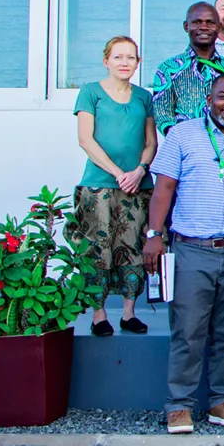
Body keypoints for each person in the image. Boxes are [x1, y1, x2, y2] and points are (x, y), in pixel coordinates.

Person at [141, 74, 224, 435]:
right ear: (209, 100)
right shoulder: (182, 135)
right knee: (189, 329)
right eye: (223, 97)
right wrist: (154, 234)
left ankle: (221, 400)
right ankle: (179, 404)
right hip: (193, 249)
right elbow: (163, 188)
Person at [68, 35, 157, 337]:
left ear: (138, 62)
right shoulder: (91, 92)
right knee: (98, 249)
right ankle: (99, 315)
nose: (124, 62)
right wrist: (120, 173)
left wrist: (140, 170)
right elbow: (85, 140)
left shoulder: (144, 97)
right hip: (99, 186)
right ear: (106, 61)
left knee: (132, 247)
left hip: (138, 186)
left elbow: (151, 142)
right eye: (118, 57)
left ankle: (129, 313)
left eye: (130, 57)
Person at [151, 2, 224, 134]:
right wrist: (187, 144)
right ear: (186, 26)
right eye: (197, 22)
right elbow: (162, 115)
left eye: (210, 23)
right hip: (183, 149)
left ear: (219, 27)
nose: (204, 27)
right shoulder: (168, 69)